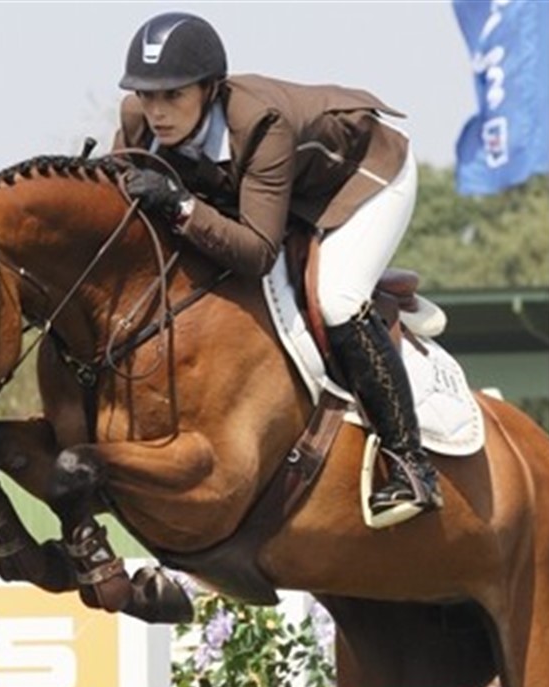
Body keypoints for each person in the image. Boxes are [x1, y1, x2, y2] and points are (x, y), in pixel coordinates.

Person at [113, 12, 441, 526]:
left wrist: (180, 205)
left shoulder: (262, 124)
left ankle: (411, 464)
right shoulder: (137, 120)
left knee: (336, 298)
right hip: (281, 189)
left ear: (210, 88)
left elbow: (256, 252)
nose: (157, 111)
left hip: (364, 177)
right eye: (147, 94)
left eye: (173, 95)